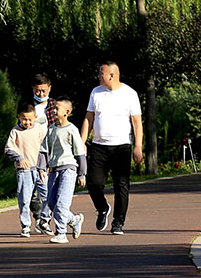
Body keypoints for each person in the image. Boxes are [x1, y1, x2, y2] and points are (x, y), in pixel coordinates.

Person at [80, 61, 142, 236]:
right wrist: (82, 142)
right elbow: (89, 118)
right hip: (99, 146)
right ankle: (102, 208)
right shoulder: (96, 92)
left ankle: (118, 222)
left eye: (101, 73)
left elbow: (137, 122)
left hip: (122, 146)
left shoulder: (130, 94)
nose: (99, 76)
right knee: (94, 183)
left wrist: (138, 146)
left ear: (112, 75)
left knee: (121, 185)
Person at [40, 98, 86, 244]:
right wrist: (42, 168)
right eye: (53, 108)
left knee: (62, 202)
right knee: (51, 202)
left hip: (69, 169)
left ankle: (61, 233)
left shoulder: (72, 130)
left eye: (57, 108)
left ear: (67, 112)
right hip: (54, 170)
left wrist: (82, 173)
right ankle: (74, 219)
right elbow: (43, 150)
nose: (54, 111)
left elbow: (80, 153)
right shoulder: (51, 129)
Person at [5, 104, 48, 237]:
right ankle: (25, 225)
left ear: (35, 117)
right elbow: (9, 148)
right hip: (24, 170)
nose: (27, 122)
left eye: (30, 119)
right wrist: (19, 158)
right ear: (19, 117)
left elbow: (45, 148)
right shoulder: (15, 131)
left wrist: (45, 166)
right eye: (24, 119)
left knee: (47, 195)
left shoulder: (39, 129)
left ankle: (44, 221)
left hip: (40, 169)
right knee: (25, 199)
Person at [30, 74, 55, 233]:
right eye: (38, 91)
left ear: (49, 89)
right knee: (32, 190)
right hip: (31, 150)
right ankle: (38, 217)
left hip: (50, 151)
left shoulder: (54, 106)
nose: (40, 94)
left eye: (44, 91)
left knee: (47, 187)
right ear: (33, 89)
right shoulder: (27, 106)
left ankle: (46, 218)